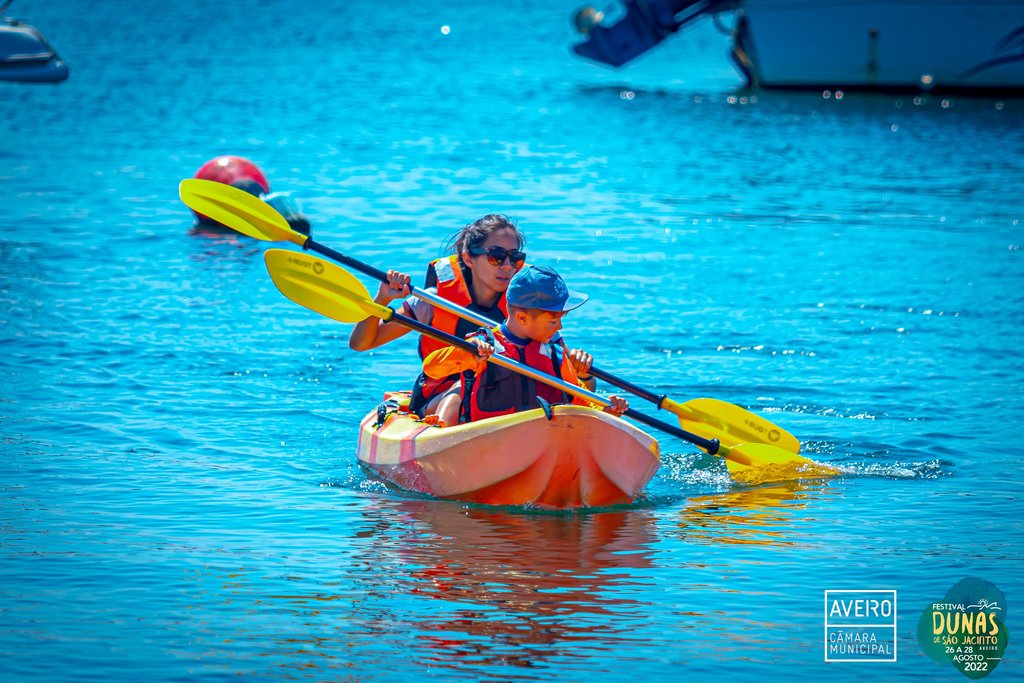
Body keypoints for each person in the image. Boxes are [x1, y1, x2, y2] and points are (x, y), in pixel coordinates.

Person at [348, 214, 528, 415]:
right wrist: (382, 299)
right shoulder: (433, 302)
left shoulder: (525, 304)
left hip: (502, 394)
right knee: (463, 393)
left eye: (515, 258)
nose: (507, 266)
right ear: (468, 257)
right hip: (441, 395)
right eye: (496, 256)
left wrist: (571, 358)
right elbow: (361, 343)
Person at [422, 265, 629, 426]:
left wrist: (606, 409)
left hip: (540, 437)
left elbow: (580, 398)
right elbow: (432, 369)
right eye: (553, 321)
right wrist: (466, 352)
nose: (560, 327)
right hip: (489, 437)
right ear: (522, 318)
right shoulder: (485, 345)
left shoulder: (554, 354)